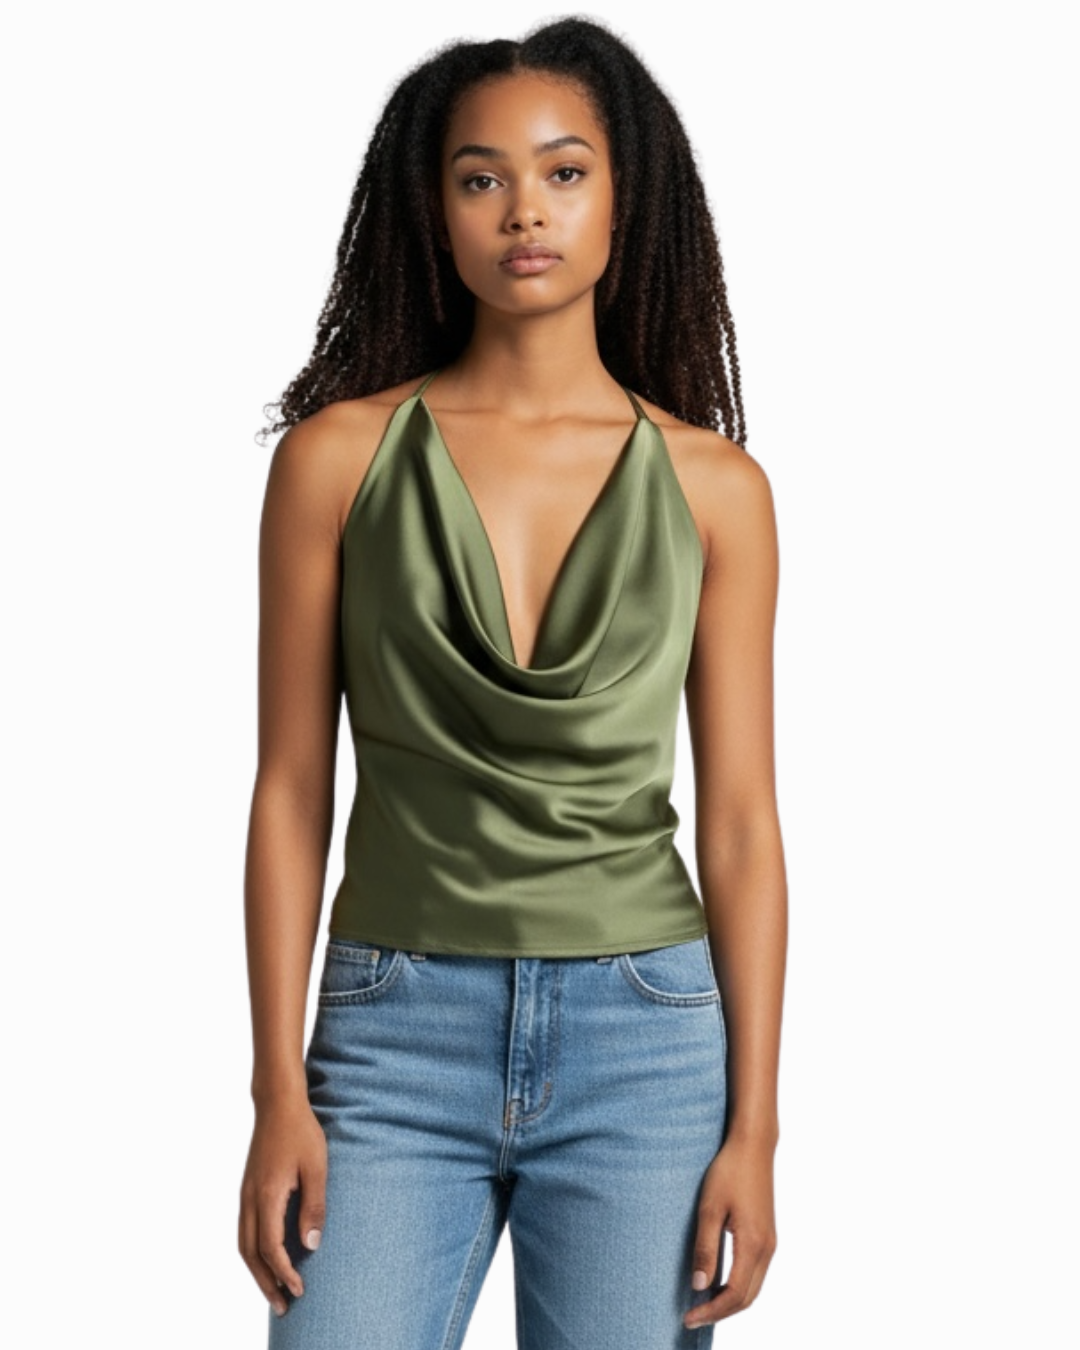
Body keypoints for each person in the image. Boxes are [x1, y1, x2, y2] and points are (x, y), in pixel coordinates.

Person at [238, 16, 786, 1349]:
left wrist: (757, 1130)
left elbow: (739, 823)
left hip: (646, 1040)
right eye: (481, 177)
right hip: (391, 1033)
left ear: (623, 199)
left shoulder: (717, 488)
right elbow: (292, 790)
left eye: (564, 171)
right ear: (433, 210)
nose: (523, 210)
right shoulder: (335, 461)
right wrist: (275, 1092)